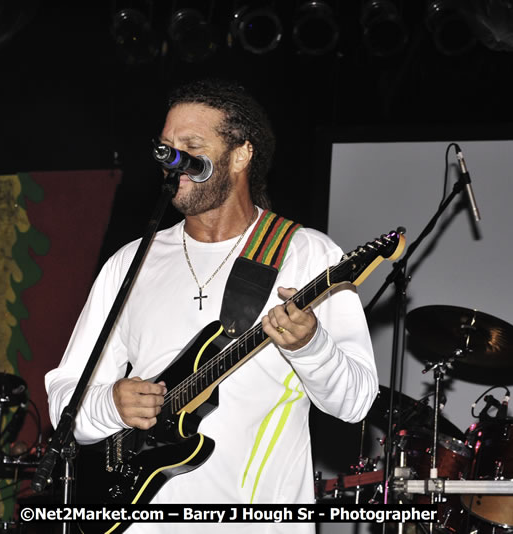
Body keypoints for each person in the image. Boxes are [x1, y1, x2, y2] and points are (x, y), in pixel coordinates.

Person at [45, 79, 379, 533]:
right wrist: (111, 406)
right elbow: (67, 397)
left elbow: (357, 401)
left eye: (191, 146)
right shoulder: (130, 263)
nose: (172, 158)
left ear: (242, 155)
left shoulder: (308, 255)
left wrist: (310, 345)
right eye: (166, 146)